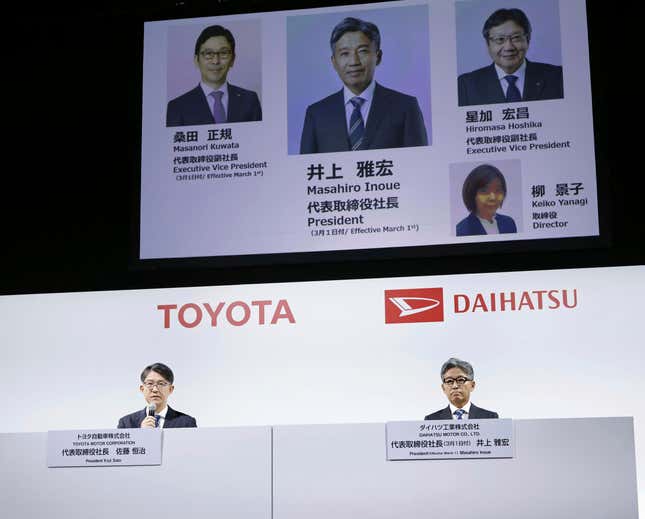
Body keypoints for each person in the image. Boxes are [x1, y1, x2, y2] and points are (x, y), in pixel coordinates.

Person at [299, 17, 427, 154]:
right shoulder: (317, 114)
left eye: (362, 51)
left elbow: (420, 166)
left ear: (378, 57)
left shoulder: (405, 107)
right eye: (344, 53)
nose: (354, 61)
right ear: (334, 62)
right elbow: (305, 171)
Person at [457, 8, 563, 106]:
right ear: (488, 44)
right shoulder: (466, 85)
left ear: (528, 39)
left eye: (516, 38)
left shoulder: (557, 77)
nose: (508, 47)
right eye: (500, 39)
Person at [166, 25, 262, 126]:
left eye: (223, 53)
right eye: (208, 53)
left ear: (233, 59)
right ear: (196, 60)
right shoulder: (177, 107)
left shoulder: (250, 100)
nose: (216, 61)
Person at [117, 363, 197, 428]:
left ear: (171, 389)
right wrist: (140, 435)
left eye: (161, 384)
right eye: (150, 384)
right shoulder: (126, 423)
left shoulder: (187, 423)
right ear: (142, 389)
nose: (155, 389)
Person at [425, 358, 498, 420]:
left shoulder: (490, 418)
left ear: (472, 385)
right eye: (449, 381)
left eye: (460, 380)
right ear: (443, 388)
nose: (455, 386)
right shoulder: (431, 420)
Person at [456, 163, 517, 236]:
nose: (493, 197)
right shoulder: (462, 229)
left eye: (498, 190)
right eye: (484, 191)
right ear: (472, 194)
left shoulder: (509, 223)